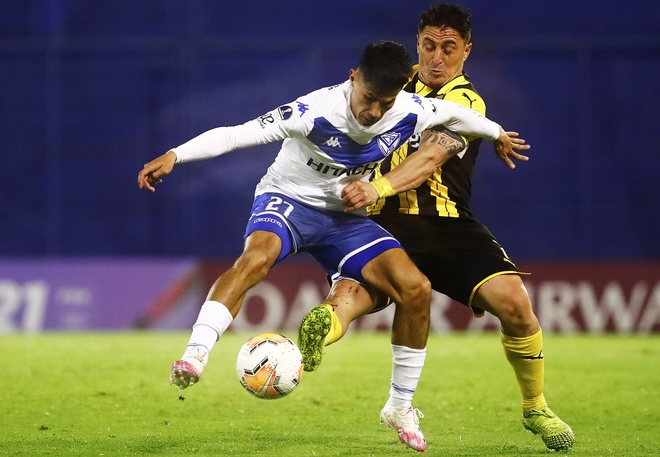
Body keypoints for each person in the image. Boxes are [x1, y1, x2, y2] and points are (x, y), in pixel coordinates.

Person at [137, 40, 526, 453]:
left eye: (385, 102)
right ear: (353, 78)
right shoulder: (314, 110)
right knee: (256, 258)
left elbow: (460, 114)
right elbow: (237, 135)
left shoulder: (410, 109)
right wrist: (176, 155)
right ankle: (195, 353)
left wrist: (499, 133)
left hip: (345, 218)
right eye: (369, 98)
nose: (373, 111)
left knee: (416, 289)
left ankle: (399, 406)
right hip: (288, 202)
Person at [296, 5, 575, 452]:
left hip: (445, 224)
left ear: (466, 51)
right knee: (348, 298)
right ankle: (311, 339)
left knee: (515, 303)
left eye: (449, 48)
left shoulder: (465, 102)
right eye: (429, 46)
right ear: (418, 44)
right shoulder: (389, 82)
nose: (437, 58)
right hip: (379, 221)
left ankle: (535, 406)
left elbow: (430, 158)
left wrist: (378, 186)